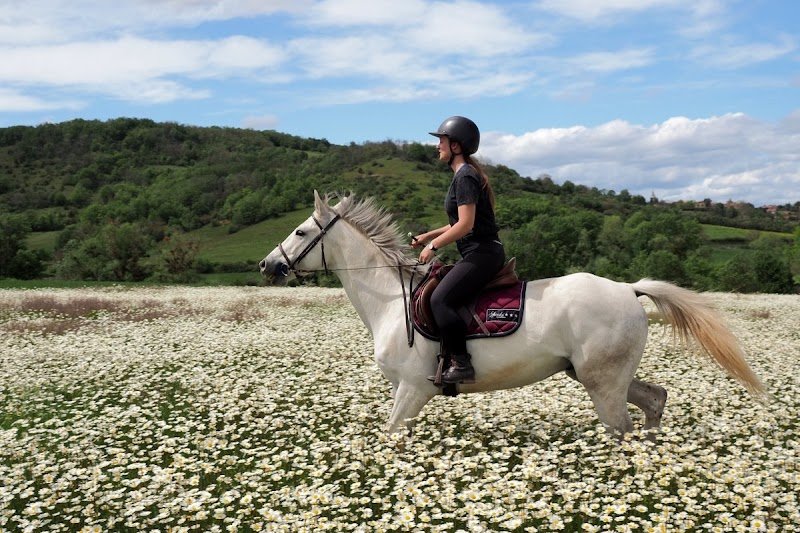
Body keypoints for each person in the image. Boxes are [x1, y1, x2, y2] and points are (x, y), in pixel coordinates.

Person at [411, 116, 505, 384]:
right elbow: (458, 221)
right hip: (480, 253)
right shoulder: (463, 175)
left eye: (441, 140)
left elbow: (466, 225)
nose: (437, 146)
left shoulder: (465, 176)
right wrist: (428, 235)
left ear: (456, 145)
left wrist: (434, 246)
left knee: (439, 300)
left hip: (483, 254)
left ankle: (461, 363)